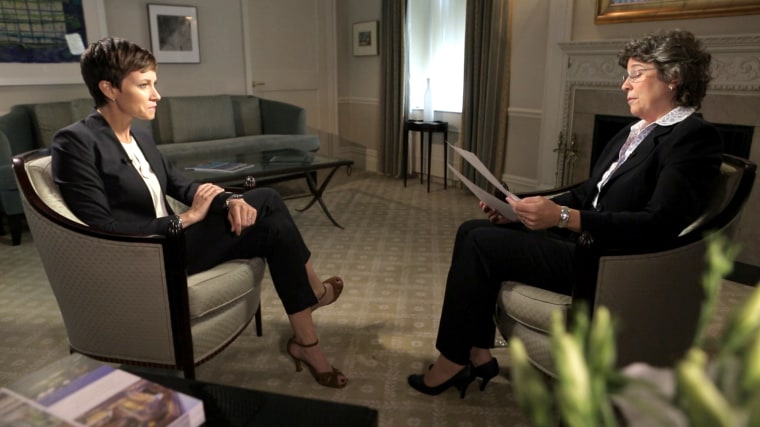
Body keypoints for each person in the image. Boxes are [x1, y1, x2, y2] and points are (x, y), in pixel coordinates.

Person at [408, 29, 722, 397]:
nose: (624, 85)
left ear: (674, 77)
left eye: (636, 74)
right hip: (587, 241)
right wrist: (522, 209)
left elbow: (659, 224)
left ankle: (452, 360)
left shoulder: (691, 138)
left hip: (612, 263)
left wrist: (561, 218)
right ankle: (476, 352)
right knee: (471, 230)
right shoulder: (634, 132)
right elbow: (590, 192)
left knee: (481, 244)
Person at [51, 37, 348, 388]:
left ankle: (307, 341)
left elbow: (183, 185)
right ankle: (311, 303)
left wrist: (230, 200)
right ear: (109, 89)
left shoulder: (140, 136)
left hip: (175, 240)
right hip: (144, 254)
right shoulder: (76, 142)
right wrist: (186, 219)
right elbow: (102, 227)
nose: (156, 94)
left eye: (154, 83)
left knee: (269, 221)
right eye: (144, 85)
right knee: (268, 201)